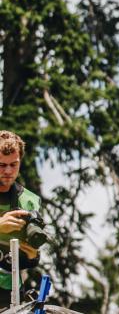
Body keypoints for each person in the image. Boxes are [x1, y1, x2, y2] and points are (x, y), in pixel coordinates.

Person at [0, 130, 41, 308]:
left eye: (13, 165)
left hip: (10, 293)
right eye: (1, 165)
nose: (8, 171)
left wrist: (33, 255)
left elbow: (27, 260)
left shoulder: (29, 200)